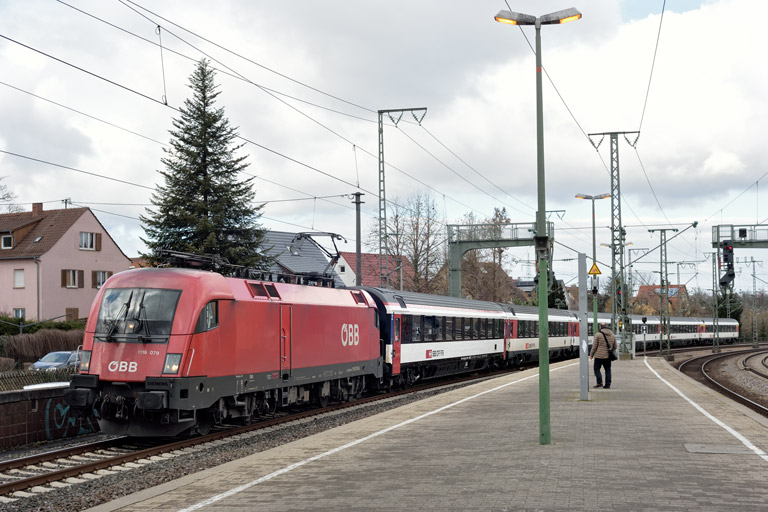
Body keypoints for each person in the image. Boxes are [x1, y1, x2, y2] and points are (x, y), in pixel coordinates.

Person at [589, 322, 617, 389]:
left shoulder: (598, 334)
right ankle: (607, 385)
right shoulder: (612, 334)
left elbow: (594, 346)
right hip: (608, 356)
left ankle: (599, 382)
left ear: (600, 327)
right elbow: (615, 346)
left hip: (599, 356)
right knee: (608, 370)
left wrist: (591, 354)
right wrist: (610, 350)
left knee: (596, 369)